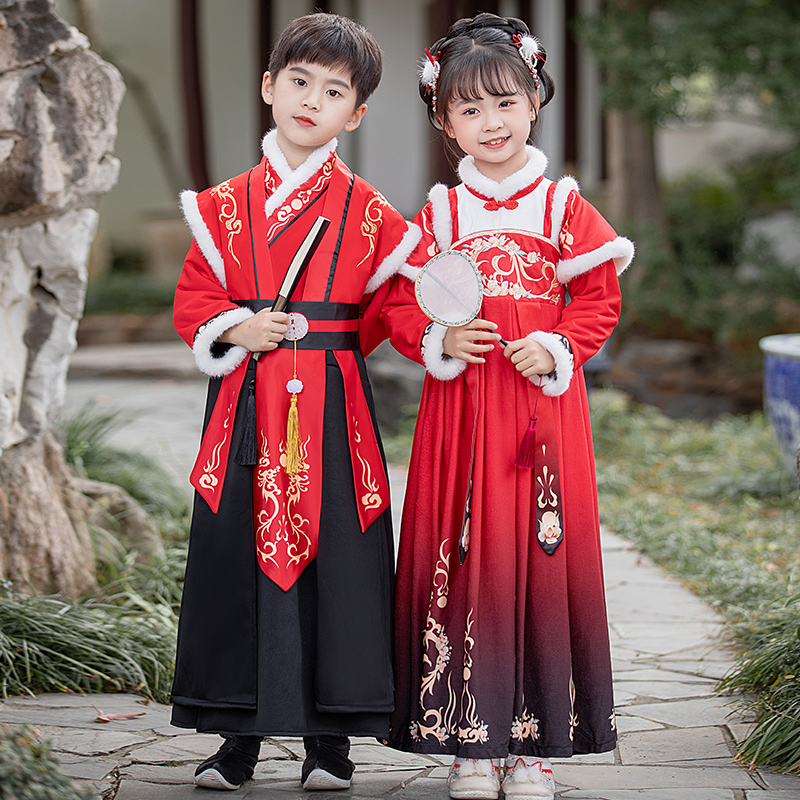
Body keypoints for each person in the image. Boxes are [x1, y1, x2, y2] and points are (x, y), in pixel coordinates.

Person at [170, 12, 424, 792]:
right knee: (235, 563)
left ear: (358, 113)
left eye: (335, 90)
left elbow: (398, 314)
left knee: (341, 567)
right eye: (300, 81)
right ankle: (234, 742)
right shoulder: (221, 207)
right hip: (245, 404)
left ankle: (331, 745)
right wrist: (234, 326)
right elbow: (193, 299)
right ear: (268, 86)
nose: (312, 100)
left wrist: (442, 333)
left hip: (334, 408)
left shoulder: (375, 214)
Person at [385, 14, 635, 800]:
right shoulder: (439, 215)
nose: (489, 123)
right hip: (462, 413)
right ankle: (469, 740)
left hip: (539, 416)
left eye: (504, 103)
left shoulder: (563, 207)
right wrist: (439, 339)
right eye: (468, 110)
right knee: (461, 558)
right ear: (442, 121)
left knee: (538, 556)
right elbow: (397, 305)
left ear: (535, 101)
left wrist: (558, 345)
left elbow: (597, 298)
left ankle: (533, 744)